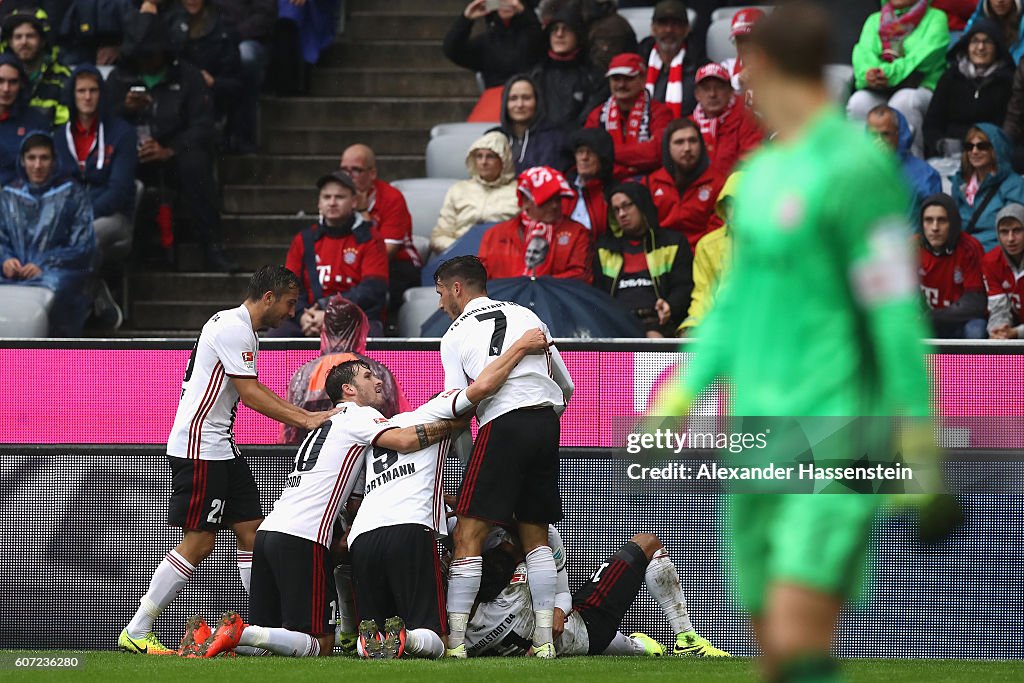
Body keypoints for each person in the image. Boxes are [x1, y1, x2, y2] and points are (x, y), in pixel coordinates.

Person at [648, 5, 954, 681]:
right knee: (776, 652)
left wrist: (918, 442)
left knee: (796, 628)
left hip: (839, 426)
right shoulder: (756, 181)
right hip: (756, 434)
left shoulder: (857, 171)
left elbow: (895, 316)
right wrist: (683, 389)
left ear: (762, 69)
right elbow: (730, 308)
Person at [118, 265, 339, 655]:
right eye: (289, 303)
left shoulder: (238, 327)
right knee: (200, 542)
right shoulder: (234, 328)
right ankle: (138, 628)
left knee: (253, 535)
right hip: (200, 449)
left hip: (222, 448)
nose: (292, 312)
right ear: (269, 297)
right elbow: (251, 394)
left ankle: (264, 630)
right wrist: (306, 417)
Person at [187, 359, 466, 659]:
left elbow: (355, 497)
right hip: (303, 536)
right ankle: (242, 631)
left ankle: (215, 636)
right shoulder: (361, 415)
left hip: (269, 532)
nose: (378, 381)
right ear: (348, 390)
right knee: (320, 644)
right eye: (368, 376)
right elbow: (403, 440)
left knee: (269, 644)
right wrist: (453, 425)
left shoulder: (324, 425)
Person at [348, 328, 551, 660]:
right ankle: (407, 640)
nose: (378, 381)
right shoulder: (433, 409)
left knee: (373, 626)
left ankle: (365, 639)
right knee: (438, 639)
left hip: (363, 538)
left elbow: (354, 500)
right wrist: (521, 347)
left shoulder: (372, 433)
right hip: (410, 528)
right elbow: (482, 389)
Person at [434, 255, 574, 659]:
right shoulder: (529, 315)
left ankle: (457, 645)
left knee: (468, 536)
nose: (442, 303)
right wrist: (541, 415)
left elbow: (458, 406)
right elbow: (564, 384)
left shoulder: (455, 333)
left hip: (502, 423)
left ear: (457, 288)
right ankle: (544, 643)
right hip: (546, 423)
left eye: (442, 292)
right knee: (536, 539)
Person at [466, 528, 728, 658]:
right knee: (648, 544)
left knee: (633, 649)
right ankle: (687, 640)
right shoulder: (515, 594)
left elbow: (562, 593)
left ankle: (639, 645)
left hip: (574, 631)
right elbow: (540, 547)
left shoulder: (463, 635)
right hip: (586, 626)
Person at [108, 17, 236, 272]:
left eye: (151, 55)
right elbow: (104, 121)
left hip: (177, 154)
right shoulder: (119, 77)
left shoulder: (189, 76)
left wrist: (170, 150)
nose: (145, 60)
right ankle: (130, 256)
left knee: (196, 164)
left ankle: (212, 247)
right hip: (132, 155)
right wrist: (125, 109)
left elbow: (203, 125)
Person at [280, 296, 412, 445]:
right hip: (367, 459)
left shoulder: (304, 373)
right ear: (360, 330)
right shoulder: (377, 371)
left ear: (324, 330)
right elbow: (397, 422)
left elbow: (290, 433)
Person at [0, 131, 95, 337]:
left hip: (57, 274)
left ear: (53, 161)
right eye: (31, 158)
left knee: (63, 292)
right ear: (22, 161)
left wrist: (44, 264)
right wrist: (6, 260)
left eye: (44, 158)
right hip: (12, 275)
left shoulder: (71, 193)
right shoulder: (9, 195)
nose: (37, 165)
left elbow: (82, 245)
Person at [277, 170, 389, 337]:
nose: (332, 202)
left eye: (340, 197)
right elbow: (288, 287)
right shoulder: (303, 239)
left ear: (354, 201)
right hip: (310, 318)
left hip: (355, 319)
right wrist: (303, 317)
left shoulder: (371, 239)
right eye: (327, 197)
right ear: (319, 203)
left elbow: (373, 291)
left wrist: (330, 312)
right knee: (277, 336)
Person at [55, 65, 138, 270]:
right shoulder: (59, 136)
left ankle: (83, 296)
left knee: (86, 237)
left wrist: (83, 217)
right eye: (81, 91)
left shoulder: (122, 133)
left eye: (93, 90)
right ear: (72, 95)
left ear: (101, 93)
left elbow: (119, 190)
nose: (87, 97)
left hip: (111, 218)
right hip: (69, 218)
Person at [847, 0, 950, 158]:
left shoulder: (936, 18)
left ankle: (912, 167)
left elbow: (924, 58)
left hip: (920, 88)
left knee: (903, 100)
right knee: (858, 101)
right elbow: (863, 54)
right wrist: (869, 73)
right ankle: (862, 166)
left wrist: (888, 74)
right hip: (881, 88)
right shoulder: (875, 19)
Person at [593, 182, 693, 338]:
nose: (622, 214)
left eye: (627, 206)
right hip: (616, 324)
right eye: (616, 210)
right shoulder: (604, 248)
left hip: (658, 323)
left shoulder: (673, 242)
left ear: (642, 205)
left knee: (654, 338)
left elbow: (683, 287)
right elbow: (598, 295)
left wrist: (670, 306)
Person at [340, 144, 422, 323]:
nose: (348, 176)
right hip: (352, 261)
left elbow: (386, 251)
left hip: (398, 263)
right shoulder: (335, 198)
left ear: (372, 173)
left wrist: (362, 211)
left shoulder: (392, 198)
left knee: (375, 287)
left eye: (356, 170)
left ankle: (376, 331)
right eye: (344, 170)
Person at [477, 166, 592, 282]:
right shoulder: (494, 235)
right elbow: (479, 280)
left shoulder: (578, 233)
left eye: (558, 199)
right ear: (526, 201)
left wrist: (536, 285)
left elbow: (581, 277)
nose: (554, 205)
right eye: (547, 200)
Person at [923, 20, 1014, 159]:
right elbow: (932, 123)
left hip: (991, 155)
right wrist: (940, 144)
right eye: (975, 41)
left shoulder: (1007, 81)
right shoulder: (951, 77)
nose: (980, 47)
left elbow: (1010, 127)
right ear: (967, 46)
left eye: (987, 42)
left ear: (997, 47)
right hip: (950, 153)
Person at [585, 52, 674, 180]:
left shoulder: (660, 112)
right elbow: (590, 156)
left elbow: (655, 153)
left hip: (647, 183)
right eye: (616, 79)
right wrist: (629, 166)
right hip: (607, 183)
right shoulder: (597, 115)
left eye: (628, 78)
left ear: (643, 79)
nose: (621, 85)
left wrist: (607, 152)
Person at [431, 131, 519, 255]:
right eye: (479, 156)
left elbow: (526, 236)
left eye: (490, 156)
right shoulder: (458, 189)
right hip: (460, 256)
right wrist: (461, 248)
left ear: (504, 160)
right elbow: (439, 236)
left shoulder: (519, 191)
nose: (483, 162)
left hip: (502, 256)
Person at [643, 117, 724, 250]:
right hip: (661, 259)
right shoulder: (651, 183)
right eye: (679, 142)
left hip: (701, 258)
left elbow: (717, 234)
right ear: (667, 147)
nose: (687, 148)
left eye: (693, 141)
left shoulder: (718, 182)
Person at [164, 0, 244, 129]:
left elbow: (235, 84)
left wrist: (213, 82)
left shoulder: (223, 29)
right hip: (173, 95)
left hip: (210, 99)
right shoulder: (168, 22)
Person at [917, 193, 987, 339]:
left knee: (976, 330)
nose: (935, 228)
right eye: (929, 220)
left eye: (942, 220)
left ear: (953, 223)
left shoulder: (970, 248)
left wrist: (932, 316)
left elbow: (975, 304)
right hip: (927, 324)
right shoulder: (910, 248)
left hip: (962, 322)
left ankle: (969, 363)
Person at [677, 171, 739, 336]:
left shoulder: (777, 243)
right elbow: (703, 294)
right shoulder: (708, 244)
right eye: (730, 204)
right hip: (722, 329)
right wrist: (692, 324)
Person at [529, 4, 605, 130]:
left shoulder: (594, 77)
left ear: (578, 35)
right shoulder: (536, 75)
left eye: (566, 29)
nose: (559, 34)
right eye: (555, 29)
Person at [214, 0, 276, 153]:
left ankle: (242, 135)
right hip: (211, 39)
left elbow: (264, 17)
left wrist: (232, 37)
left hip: (250, 40)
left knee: (245, 56)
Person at [951, 123, 1024, 251]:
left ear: (996, 149)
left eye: (982, 146)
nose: (974, 151)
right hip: (962, 257)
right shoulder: (959, 183)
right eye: (969, 146)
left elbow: (1012, 234)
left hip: (992, 258)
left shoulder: (1015, 185)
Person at [443, 0, 545, 89]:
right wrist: (466, 19)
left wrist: (523, 11)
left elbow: (537, 37)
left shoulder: (532, 34)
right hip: (495, 101)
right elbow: (452, 49)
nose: (505, 3)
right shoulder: (487, 42)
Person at [690, 62, 763, 176]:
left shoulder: (748, 120)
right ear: (696, 94)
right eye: (706, 88)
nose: (712, 94)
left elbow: (750, 163)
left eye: (719, 88)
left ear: (730, 91)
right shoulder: (689, 125)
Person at [2, 8, 70, 127]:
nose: (24, 42)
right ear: (10, 42)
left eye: (30, 36)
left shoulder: (63, 78)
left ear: (43, 40)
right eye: (18, 37)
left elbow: (66, 128)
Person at [867, 105, 941, 210]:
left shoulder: (926, 175)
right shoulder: (856, 174)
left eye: (885, 134)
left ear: (898, 134)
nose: (879, 140)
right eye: (873, 135)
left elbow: (934, 221)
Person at [496, 73, 569, 174]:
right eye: (513, 98)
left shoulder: (556, 139)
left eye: (526, 98)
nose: (520, 105)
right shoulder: (494, 137)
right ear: (505, 103)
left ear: (537, 101)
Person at [639, 0, 698, 118]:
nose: (669, 30)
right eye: (663, 24)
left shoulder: (699, 67)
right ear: (653, 29)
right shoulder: (638, 65)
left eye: (675, 24)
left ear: (686, 30)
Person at [0, 54, 50, 187]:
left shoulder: (36, 122)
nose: (6, 89)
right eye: (1, 81)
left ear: (21, 84)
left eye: (13, 82)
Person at [983, 202, 1024, 338]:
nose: (1011, 239)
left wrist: (1017, 333)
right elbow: (998, 310)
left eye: (1017, 230)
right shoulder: (991, 262)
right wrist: (999, 331)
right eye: (1004, 232)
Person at [565, 127, 614, 237]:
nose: (584, 157)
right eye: (580, 152)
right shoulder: (563, 190)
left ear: (602, 158)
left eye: (591, 152)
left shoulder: (611, 192)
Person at [720, 7, 765, 94]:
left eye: (749, 39)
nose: (744, 46)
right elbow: (717, 94)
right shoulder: (727, 67)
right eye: (739, 40)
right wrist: (738, 81)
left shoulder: (780, 67)